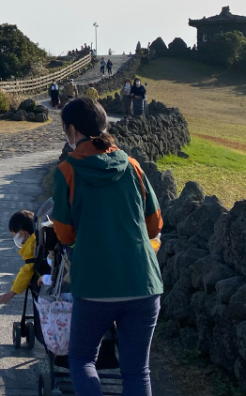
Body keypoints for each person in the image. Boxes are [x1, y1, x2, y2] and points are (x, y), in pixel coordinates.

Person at [52, 97, 163, 396]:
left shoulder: (67, 171)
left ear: (72, 130)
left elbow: (63, 234)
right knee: (137, 371)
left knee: (81, 358)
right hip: (144, 282)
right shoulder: (133, 166)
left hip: (95, 285)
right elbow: (154, 225)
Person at [0, 210, 36, 305]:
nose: (14, 237)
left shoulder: (31, 247)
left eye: (14, 234)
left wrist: (12, 292)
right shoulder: (37, 238)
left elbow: (26, 272)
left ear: (22, 233)